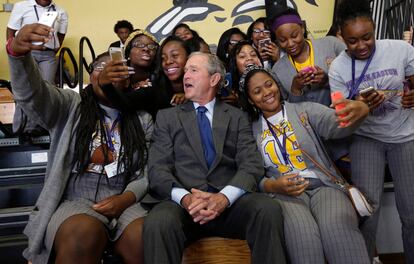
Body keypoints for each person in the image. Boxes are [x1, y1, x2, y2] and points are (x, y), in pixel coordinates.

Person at [7, 24, 153, 264]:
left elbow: (147, 171)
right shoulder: (70, 106)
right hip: (76, 199)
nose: (107, 72)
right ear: (90, 76)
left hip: (126, 199)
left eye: (116, 68)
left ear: (128, 79)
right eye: (99, 67)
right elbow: (32, 95)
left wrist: (126, 198)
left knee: (146, 237)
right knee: (82, 235)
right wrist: (18, 56)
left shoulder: (142, 119)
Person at [143, 52, 287, 264]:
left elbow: (251, 164)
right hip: (184, 208)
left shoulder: (237, 116)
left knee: (267, 209)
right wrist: (186, 198)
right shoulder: (167, 117)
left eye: (193, 70)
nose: (185, 76)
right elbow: (158, 169)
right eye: (185, 72)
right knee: (158, 221)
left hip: (229, 206)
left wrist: (224, 198)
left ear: (214, 79)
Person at [238, 65, 370, 264]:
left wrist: (359, 109)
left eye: (269, 84)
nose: (266, 93)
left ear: (276, 84)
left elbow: (336, 125)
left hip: (323, 187)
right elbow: (251, 174)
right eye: (257, 91)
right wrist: (272, 185)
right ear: (250, 100)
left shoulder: (304, 110)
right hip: (284, 196)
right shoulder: (249, 130)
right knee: (303, 239)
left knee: (337, 228)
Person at [329, 0, 414, 262]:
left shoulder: (400, 50)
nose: (362, 46)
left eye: (367, 37)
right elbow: (341, 116)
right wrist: (362, 106)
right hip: (366, 139)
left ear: (374, 28)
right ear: (341, 36)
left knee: (411, 213)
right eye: (353, 41)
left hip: (405, 136)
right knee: (368, 213)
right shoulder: (338, 68)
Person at [270, 8, 345, 106]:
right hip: (304, 121)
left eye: (294, 36)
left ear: (302, 28)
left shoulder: (331, 44)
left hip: (340, 116)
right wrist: (295, 90)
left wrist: (327, 80)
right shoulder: (278, 70)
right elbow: (285, 108)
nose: (290, 44)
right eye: (283, 40)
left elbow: (355, 74)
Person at [7, 0, 68, 84]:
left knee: (47, 87)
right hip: (26, 54)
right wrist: (13, 53)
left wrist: (52, 51)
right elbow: (11, 31)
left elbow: (61, 35)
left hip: (48, 55)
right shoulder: (21, 6)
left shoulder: (61, 11)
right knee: (26, 85)